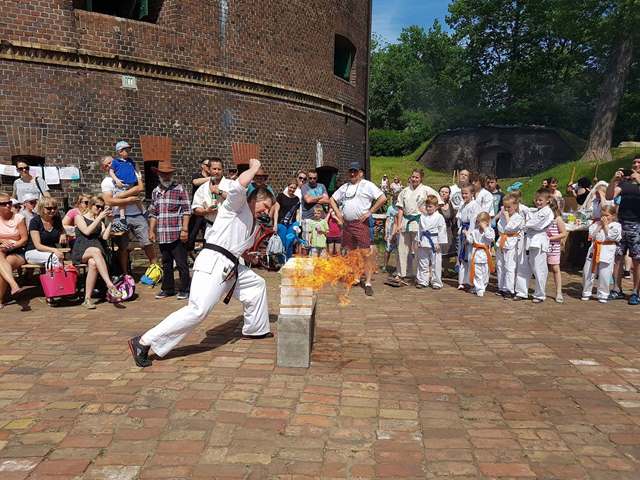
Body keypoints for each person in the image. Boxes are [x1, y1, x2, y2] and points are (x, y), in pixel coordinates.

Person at [128, 158, 274, 368]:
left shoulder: (252, 222)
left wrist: (249, 256)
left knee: (256, 285)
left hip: (230, 266)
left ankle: (256, 329)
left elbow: (235, 244)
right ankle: (143, 342)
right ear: (254, 199)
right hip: (213, 262)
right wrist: (254, 168)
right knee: (197, 310)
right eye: (265, 206)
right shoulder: (237, 204)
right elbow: (241, 183)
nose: (266, 212)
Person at [330, 162, 386, 297]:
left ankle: (368, 283)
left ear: (360, 173)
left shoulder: (367, 185)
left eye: (355, 171)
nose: (352, 174)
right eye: (351, 171)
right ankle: (356, 277)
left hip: (361, 223)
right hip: (347, 224)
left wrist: (370, 212)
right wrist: (338, 213)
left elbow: (383, 198)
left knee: (366, 253)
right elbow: (332, 199)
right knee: (352, 252)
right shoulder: (345, 187)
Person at [100, 155, 157, 273]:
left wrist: (121, 195)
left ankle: (156, 269)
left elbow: (140, 188)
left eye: (112, 162)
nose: (110, 165)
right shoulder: (107, 182)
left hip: (137, 214)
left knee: (147, 242)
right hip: (119, 216)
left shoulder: (128, 172)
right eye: (107, 164)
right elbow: (109, 201)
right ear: (104, 168)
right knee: (123, 247)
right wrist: (129, 199)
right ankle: (125, 273)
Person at [148, 161, 191, 300]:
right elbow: (153, 213)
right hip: (163, 234)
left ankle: (185, 288)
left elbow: (187, 211)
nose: (166, 177)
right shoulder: (155, 192)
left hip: (177, 233)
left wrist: (185, 230)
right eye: (163, 174)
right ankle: (168, 289)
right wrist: (151, 230)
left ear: (172, 174)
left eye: (168, 174)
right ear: (158, 175)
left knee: (181, 263)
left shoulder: (179, 189)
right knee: (166, 263)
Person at [70, 196, 122, 309]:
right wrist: (99, 218)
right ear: (90, 205)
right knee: (96, 251)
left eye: (102, 207)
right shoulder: (79, 217)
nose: (100, 209)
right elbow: (87, 231)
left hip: (96, 251)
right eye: (98, 206)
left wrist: (110, 222)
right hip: (82, 249)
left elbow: (104, 237)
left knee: (93, 263)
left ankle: (87, 299)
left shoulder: (100, 221)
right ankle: (109, 284)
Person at [392, 169, 441, 284]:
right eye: (413, 177)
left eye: (417, 177)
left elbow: (438, 203)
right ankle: (401, 273)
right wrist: (398, 225)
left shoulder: (426, 190)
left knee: (419, 250)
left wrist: (427, 213)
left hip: (419, 222)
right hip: (405, 221)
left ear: (421, 178)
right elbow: (400, 209)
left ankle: (420, 275)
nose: (414, 179)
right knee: (402, 248)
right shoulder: (404, 191)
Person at [606, 159, 640, 304]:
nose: (636, 165)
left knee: (637, 260)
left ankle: (635, 292)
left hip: (637, 225)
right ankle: (616, 289)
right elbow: (609, 196)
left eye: (639, 163)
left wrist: (638, 179)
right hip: (622, 223)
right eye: (634, 163)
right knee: (618, 257)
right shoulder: (624, 183)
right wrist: (614, 180)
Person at [514, 189, 554, 303]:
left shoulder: (547, 212)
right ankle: (521, 292)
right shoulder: (535, 210)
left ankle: (540, 294)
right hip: (528, 239)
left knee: (539, 268)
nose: (538, 202)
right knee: (523, 266)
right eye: (536, 200)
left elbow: (536, 224)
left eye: (541, 200)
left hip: (538, 241)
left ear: (548, 200)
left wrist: (525, 224)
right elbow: (525, 210)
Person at [582, 205, 622, 303]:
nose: (604, 218)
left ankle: (603, 294)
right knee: (588, 271)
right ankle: (586, 292)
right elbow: (591, 235)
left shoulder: (616, 225)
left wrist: (605, 226)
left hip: (607, 249)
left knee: (605, 273)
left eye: (607, 215)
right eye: (602, 215)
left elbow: (612, 236)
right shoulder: (596, 224)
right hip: (594, 249)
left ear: (613, 216)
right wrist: (600, 225)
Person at [190, 159, 228, 251]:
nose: (216, 171)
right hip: (211, 227)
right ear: (209, 170)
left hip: (228, 227)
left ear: (223, 170)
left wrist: (219, 192)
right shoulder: (203, 188)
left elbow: (237, 199)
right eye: (214, 169)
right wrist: (206, 211)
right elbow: (196, 208)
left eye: (219, 169)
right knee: (211, 252)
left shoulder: (231, 184)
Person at [0, 192, 29, 306]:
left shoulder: (18, 218)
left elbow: (24, 239)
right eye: (3, 204)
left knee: (4, 266)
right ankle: (13, 284)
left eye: (9, 202)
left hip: (18, 250)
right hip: (1, 249)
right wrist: (2, 241)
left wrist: (12, 245)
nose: (8, 205)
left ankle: (0, 299)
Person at [109, 141, 145, 232]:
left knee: (136, 198)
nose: (128, 152)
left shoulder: (130, 161)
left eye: (129, 150)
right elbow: (111, 172)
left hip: (131, 184)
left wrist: (139, 176)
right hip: (122, 185)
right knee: (122, 201)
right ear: (120, 151)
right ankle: (122, 216)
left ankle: (144, 211)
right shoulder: (115, 162)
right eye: (126, 150)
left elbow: (136, 168)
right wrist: (116, 180)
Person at [494, 193, 524, 298]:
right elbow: (500, 227)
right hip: (501, 241)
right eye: (505, 207)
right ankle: (501, 287)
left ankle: (509, 289)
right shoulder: (502, 216)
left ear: (515, 206)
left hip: (511, 242)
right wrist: (504, 216)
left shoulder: (518, 217)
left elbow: (510, 228)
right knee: (500, 265)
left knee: (509, 266)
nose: (506, 209)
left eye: (509, 207)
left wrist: (507, 218)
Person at [24, 197, 66, 268]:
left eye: (55, 208)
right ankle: (58, 275)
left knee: (53, 259)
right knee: (55, 257)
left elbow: (61, 228)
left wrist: (63, 233)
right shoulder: (35, 221)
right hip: (33, 251)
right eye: (49, 208)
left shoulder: (56, 219)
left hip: (49, 252)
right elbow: (38, 245)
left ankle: (53, 275)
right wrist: (54, 250)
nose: (52, 210)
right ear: (41, 208)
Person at [416, 195, 447, 289]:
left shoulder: (439, 217)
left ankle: (436, 282)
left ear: (436, 207)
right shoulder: (422, 216)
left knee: (436, 264)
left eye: (430, 206)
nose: (428, 208)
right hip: (423, 241)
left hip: (434, 242)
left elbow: (442, 230)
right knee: (423, 262)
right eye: (427, 206)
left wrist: (439, 242)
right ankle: (423, 281)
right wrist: (418, 239)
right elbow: (420, 229)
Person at [455, 184, 480, 289]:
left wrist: (469, 236)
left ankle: (471, 282)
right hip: (463, 231)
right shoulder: (462, 204)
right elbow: (459, 219)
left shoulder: (475, 205)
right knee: (462, 257)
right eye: (462, 193)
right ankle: (462, 281)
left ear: (472, 193)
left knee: (470, 258)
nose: (464, 195)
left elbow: (473, 222)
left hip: (470, 233)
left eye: (466, 193)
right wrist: (460, 231)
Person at [465, 211, 495, 297]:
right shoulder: (475, 231)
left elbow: (491, 238)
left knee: (485, 273)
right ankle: (479, 289)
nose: (480, 224)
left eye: (483, 222)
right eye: (479, 222)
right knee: (477, 273)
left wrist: (485, 228)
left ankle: (482, 286)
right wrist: (467, 235)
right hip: (477, 254)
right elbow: (471, 241)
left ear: (487, 222)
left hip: (486, 254)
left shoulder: (490, 230)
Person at [301, 169, 330, 248]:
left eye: (314, 178)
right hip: (308, 218)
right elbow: (308, 200)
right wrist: (320, 197)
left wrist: (313, 199)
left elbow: (327, 200)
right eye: (310, 178)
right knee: (307, 243)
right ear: (308, 178)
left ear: (317, 178)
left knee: (321, 242)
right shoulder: (304, 187)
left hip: (321, 219)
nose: (312, 180)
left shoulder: (321, 186)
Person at [546, 198, 568, 303]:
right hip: (542, 246)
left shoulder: (557, 219)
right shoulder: (542, 218)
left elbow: (563, 233)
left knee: (555, 268)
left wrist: (550, 238)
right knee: (541, 269)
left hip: (553, 247)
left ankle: (559, 292)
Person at [274, 178, 301, 259]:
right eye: (291, 187)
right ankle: (281, 261)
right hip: (281, 223)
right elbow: (276, 211)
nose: (292, 189)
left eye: (294, 188)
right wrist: (275, 224)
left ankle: (288, 260)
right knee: (282, 242)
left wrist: (297, 224)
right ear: (288, 186)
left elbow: (297, 213)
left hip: (292, 224)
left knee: (289, 242)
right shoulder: (280, 196)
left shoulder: (297, 199)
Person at [382, 192, 399, 273]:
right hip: (390, 230)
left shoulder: (401, 208)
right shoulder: (390, 208)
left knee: (398, 251)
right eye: (394, 200)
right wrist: (386, 233)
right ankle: (385, 265)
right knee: (388, 249)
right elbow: (387, 221)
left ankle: (398, 267)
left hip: (399, 230)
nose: (395, 201)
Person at [438, 186, 456, 258]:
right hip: (438, 231)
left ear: (449, 194)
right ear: (439, 193)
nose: (444, 194)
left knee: (447, 254)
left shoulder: (450, 204)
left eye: (446, 192)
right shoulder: (435, 204)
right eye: (442, 192)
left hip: (448, 230)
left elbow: (452, 218)